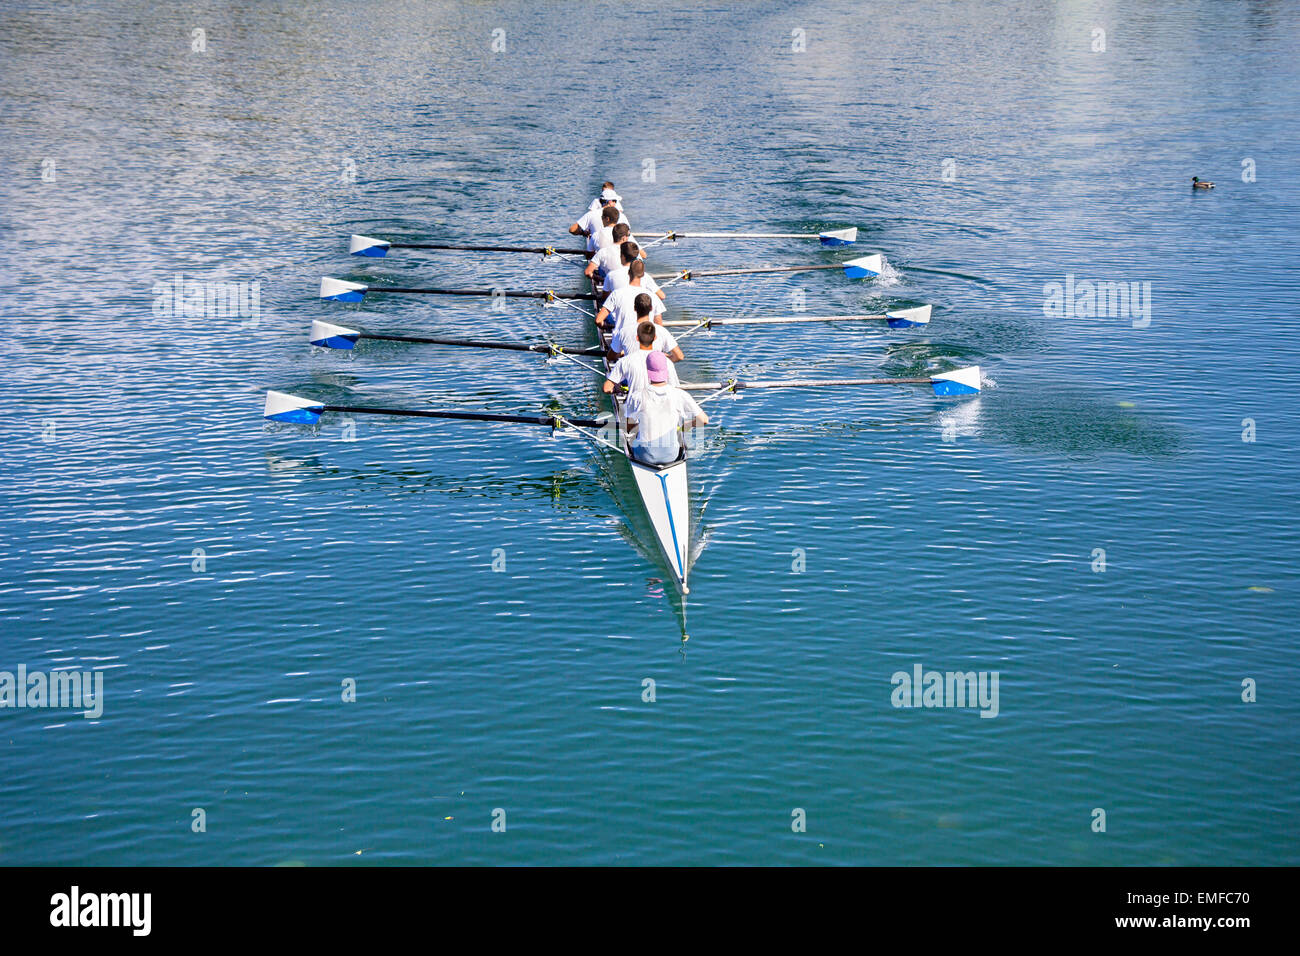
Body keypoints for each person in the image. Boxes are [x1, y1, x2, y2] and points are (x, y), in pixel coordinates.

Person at [624, 351, 708, 465]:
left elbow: (630, 429)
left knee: (632, 438)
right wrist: (686, 425)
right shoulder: (680, 394)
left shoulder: (636, 396)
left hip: (644, 456)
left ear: (648, 372)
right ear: (666, 371)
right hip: (671, 456)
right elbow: (704, 420)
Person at [604, 321, 682, 397]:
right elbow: (675, 390)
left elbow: (606, 388)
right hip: (660, 406)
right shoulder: (666, 362)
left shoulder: (624, 361)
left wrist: (617, 389)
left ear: (637, 338)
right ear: (655, 338)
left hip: (636, 407)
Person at [594, 260, 665, 331]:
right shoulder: (653, 296)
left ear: (629, 273)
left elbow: (598, 320)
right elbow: (660, 327)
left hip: (621, 339)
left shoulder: (616, 294)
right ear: (643, 275)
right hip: (645, 339)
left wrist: (605, 326)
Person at [611, 296, 684, 360]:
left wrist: (623, 353)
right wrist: (661, 359)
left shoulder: (623, 331)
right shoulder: (662, 331)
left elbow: (611, 356)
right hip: (655, 372)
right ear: (651, 308)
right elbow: (679, 356)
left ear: (634, 308)